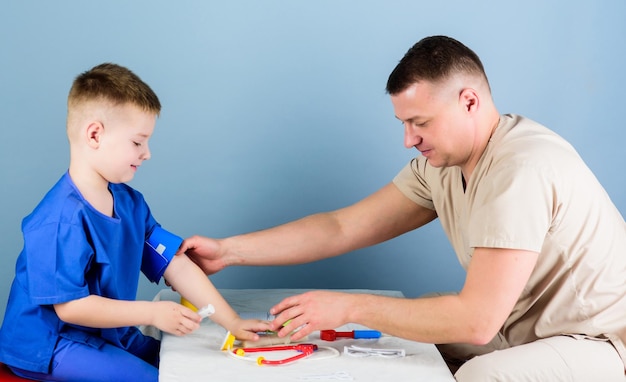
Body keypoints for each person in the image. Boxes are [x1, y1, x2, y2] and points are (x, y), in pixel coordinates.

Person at [177, 36, 626, 381]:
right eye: (404, 123)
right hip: (516, 329)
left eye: (420, 122)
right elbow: (339, 227)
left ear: (469, 101)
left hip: (596, 341)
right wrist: (228, 251)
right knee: (398, 340)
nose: (408, 139)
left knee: (479, 376)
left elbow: (475, 320)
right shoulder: (443, 165)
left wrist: (348, 307)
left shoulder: (522, 168)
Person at [0, 63, 269, 382]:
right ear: (95, 134)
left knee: (185, 366)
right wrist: (152, 313)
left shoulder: (130, 204)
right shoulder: (58, 221)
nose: (147, 154)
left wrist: (233, 322)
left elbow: (176, 264)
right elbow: (70, 309)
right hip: (48, 345)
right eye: (138, 142)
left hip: (106, 333)